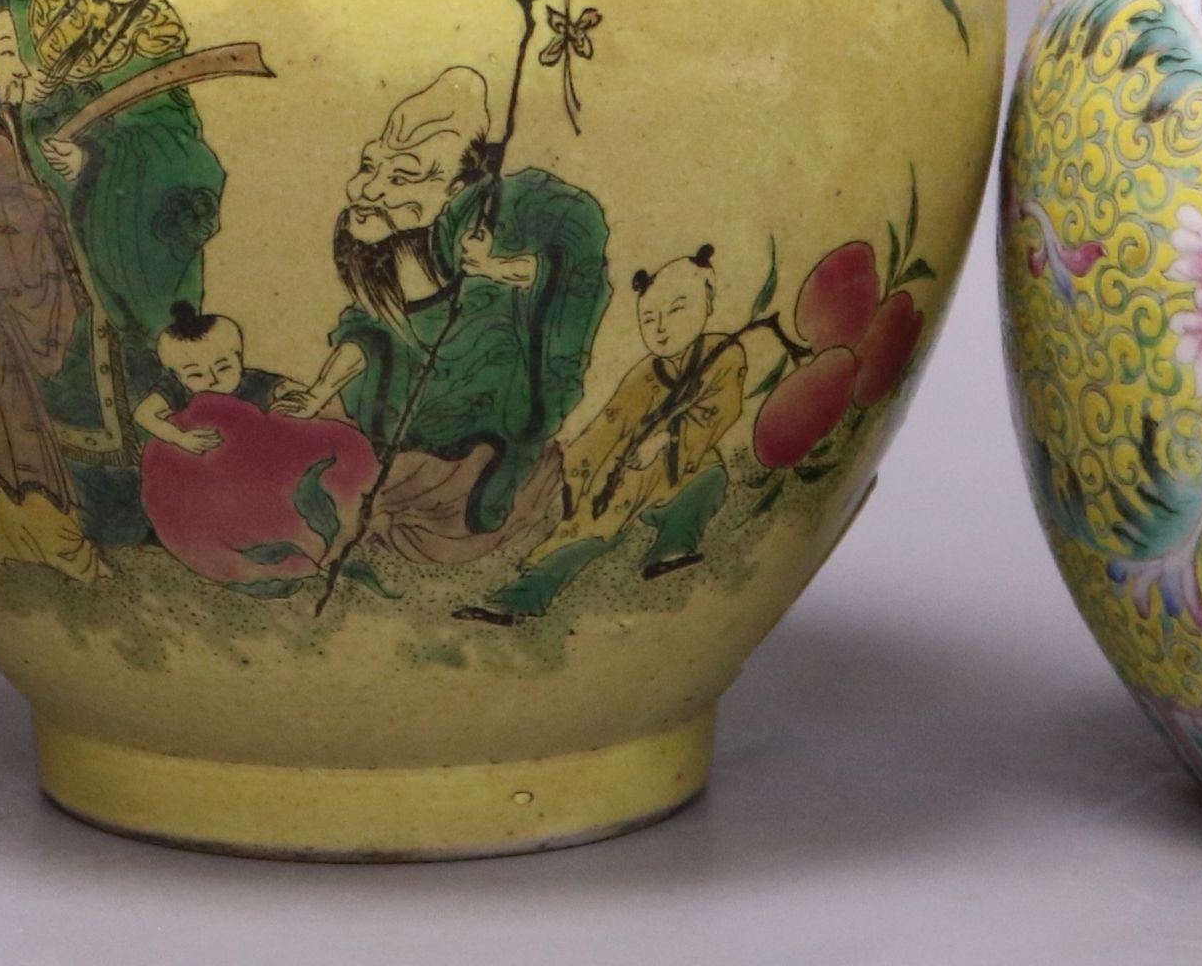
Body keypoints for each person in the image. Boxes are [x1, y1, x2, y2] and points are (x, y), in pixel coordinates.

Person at [0, 0, 257, 550]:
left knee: (127, 344)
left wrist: (101, 162)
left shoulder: (156, 28)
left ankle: (149, 495)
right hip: (9, 180)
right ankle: (49, 496)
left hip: (101, 213)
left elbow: (168, 122)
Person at [292, 68, 613, 565]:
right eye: (371, 168)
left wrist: (497, 269)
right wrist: (319, 390)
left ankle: (507, 461)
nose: (370, 190)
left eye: (401, 177)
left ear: (458, 188)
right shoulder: (385, 251)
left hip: (482, 404)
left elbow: (569, 263)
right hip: (400, 413)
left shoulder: (505, 218)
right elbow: (368, 334)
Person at [462, 246, 758, 623]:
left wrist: (665, 439)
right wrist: (576, 457)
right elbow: (610, 422)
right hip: (628, 466)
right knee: (592, 528)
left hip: (683, 463)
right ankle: (518, 601)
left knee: (710, 478)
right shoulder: (645, 374)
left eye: (676, 310)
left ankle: (672, 548)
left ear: (708, 302)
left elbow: (720, 409)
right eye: (649, 319)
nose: (661, 327)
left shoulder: (724, 354)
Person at [135, 312, 380, 589]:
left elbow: (286, 390)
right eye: (196, 373)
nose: (213, 379)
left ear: (238, 356)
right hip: (212, 486)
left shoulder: (252, 382)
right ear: (177, 375)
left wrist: (305, 398)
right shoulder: (177, 391)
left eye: (224, 366)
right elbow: (145, 414)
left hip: (262, 478)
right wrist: (180, 438)